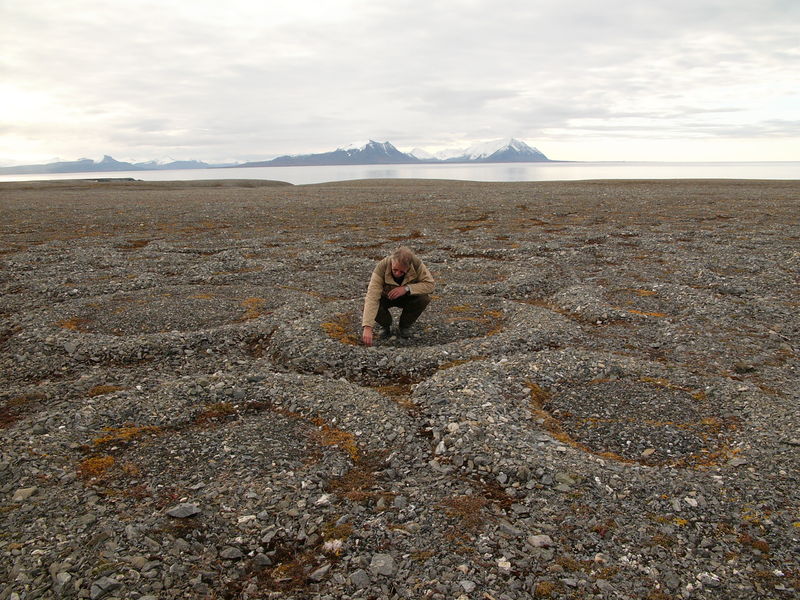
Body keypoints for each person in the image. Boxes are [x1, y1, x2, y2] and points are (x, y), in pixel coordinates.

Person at [362, 246, 434, 346]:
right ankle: (386, 325)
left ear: (409, 267)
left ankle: (404, 326)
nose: (397, 274)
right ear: (392, 262)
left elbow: (430, 285)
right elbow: (372, 296)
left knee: (423, 299)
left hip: (407, 297)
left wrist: (406, 288)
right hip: (386, 297)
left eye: (402, 272)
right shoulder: (382, 267)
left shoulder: (416, 264)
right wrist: (367, 327)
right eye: (395, 270)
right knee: (369, 303)